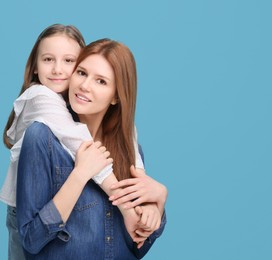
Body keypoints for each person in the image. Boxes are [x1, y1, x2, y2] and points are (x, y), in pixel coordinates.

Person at [15, 38, 167, 259]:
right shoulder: (41, 138)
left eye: (101, 81)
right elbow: (30, 239)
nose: (85, 86)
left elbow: (136, 249)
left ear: (116, 96)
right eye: (82, 73)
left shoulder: (129, 150)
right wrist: (79, 175)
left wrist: (156, 209)